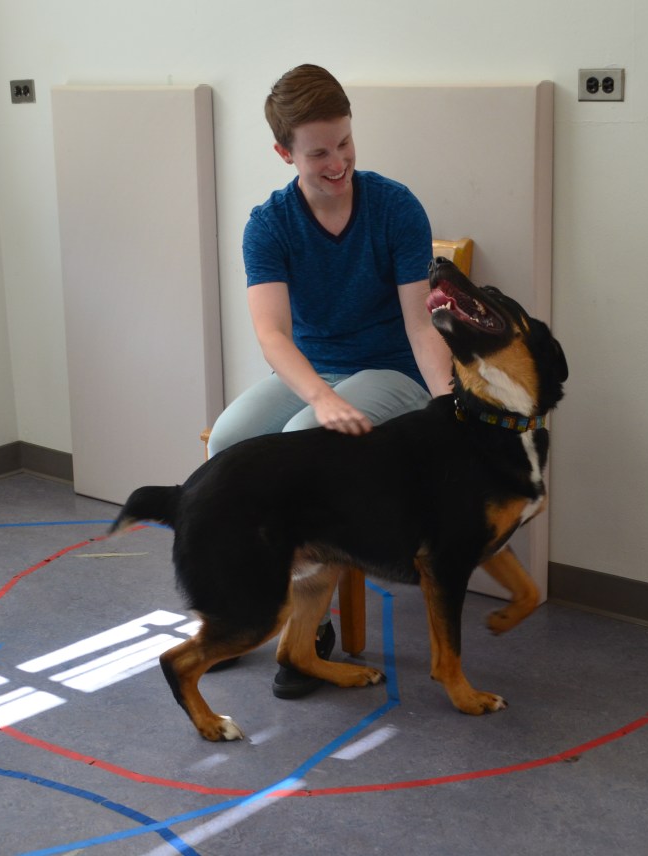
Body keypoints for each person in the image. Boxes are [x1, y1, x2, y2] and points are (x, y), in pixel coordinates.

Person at [206, 64, 453, 699]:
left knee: (298, 443)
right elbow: (272, 336)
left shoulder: (396, 207)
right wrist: (321, 393)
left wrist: (450, 403)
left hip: (391, 374)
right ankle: (242, 612)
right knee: (228, 443)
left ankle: (303, 639)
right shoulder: (269, 224)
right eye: (318, 152)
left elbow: (421, 326)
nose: (337, 160)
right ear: (284, 152)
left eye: (344, 142)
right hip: (315, 373)